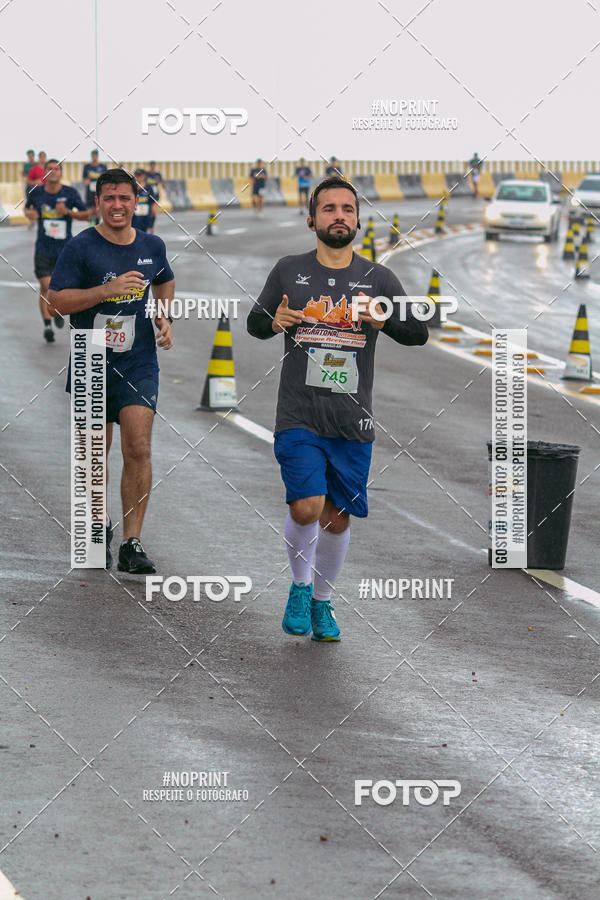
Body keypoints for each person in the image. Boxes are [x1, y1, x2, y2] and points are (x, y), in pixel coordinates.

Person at [247, 176, 428, 641]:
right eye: (329, 209)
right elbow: (255, 323)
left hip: (352, 419)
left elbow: (418, 333)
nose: (339, 216)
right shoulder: (289, 270)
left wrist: (383, 320)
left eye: (347, 209)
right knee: (307, 506)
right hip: (299, 414)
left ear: (358, 221)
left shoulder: (379, 278)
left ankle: (324, 605)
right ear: (313, 220)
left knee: (337, 516)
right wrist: (275, 320)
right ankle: (300, 589)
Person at [48, 168, 175, 573]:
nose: (117, 206)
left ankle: (131, 543)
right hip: (91, 357)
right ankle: (96, 527)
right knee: (94, 454)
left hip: (138, 360)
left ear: (136, 202)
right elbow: (56, 302)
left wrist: (163, 315)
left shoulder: (152, 244)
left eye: (124, 198)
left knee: (137, 446)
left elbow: (165, 280)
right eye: (109, 199)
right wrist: (106, 290)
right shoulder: (80, 247)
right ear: (97, 203)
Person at [24, 159, 89, 343]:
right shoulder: (36, 193)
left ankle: (57, 310)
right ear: (44, 173)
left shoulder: (69, 193)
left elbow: (86, 215)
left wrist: (68, 212)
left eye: (56, 169)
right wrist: (30, 214)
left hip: (65, 250)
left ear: (61, 173)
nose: (53, 172)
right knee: (46, 286)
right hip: (43, 249)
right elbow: (28, 209)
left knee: (60, 288)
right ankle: (47, 326)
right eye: (49, 169)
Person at [83, 149, 108, 225]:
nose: (94, 157)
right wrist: (86, 181)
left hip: (99, 191)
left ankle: (97, 225)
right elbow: (84, 178)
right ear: (91, 156)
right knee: (90, 210)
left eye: (95, 155)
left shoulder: (102, 166)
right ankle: (90, 226)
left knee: (98, 210)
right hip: (90, 192)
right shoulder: (87, 166)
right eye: (93, 155)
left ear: (97, 156)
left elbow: (106, 178)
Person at [145, 161, 163, 233]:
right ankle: (147, 225)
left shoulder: (157, 174)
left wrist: (159, 182)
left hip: (155, 195)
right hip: (148, 194)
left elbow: (161, 183)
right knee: (147, 211)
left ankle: (151, 226)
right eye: (151, 165)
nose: (152, 166)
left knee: (153, 211)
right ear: (149, 166)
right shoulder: (147, 174)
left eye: (153, 165)